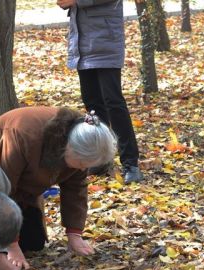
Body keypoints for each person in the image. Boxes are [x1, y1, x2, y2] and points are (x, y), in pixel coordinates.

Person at [0, 106, 117, 270]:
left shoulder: (83, 136)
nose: (82, 169)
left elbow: (76, 187)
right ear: (68, 148)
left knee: (33, 243)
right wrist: (11, 245)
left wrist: (74, 233)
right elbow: (2, 189)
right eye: (81, 163)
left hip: (22, 192)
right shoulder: (25, 134)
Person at [57, 0, 144, 183]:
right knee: (92, 102)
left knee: (113, 102)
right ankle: (102, 158)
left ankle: (131, 163)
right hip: (82, 41)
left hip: (106, 40)